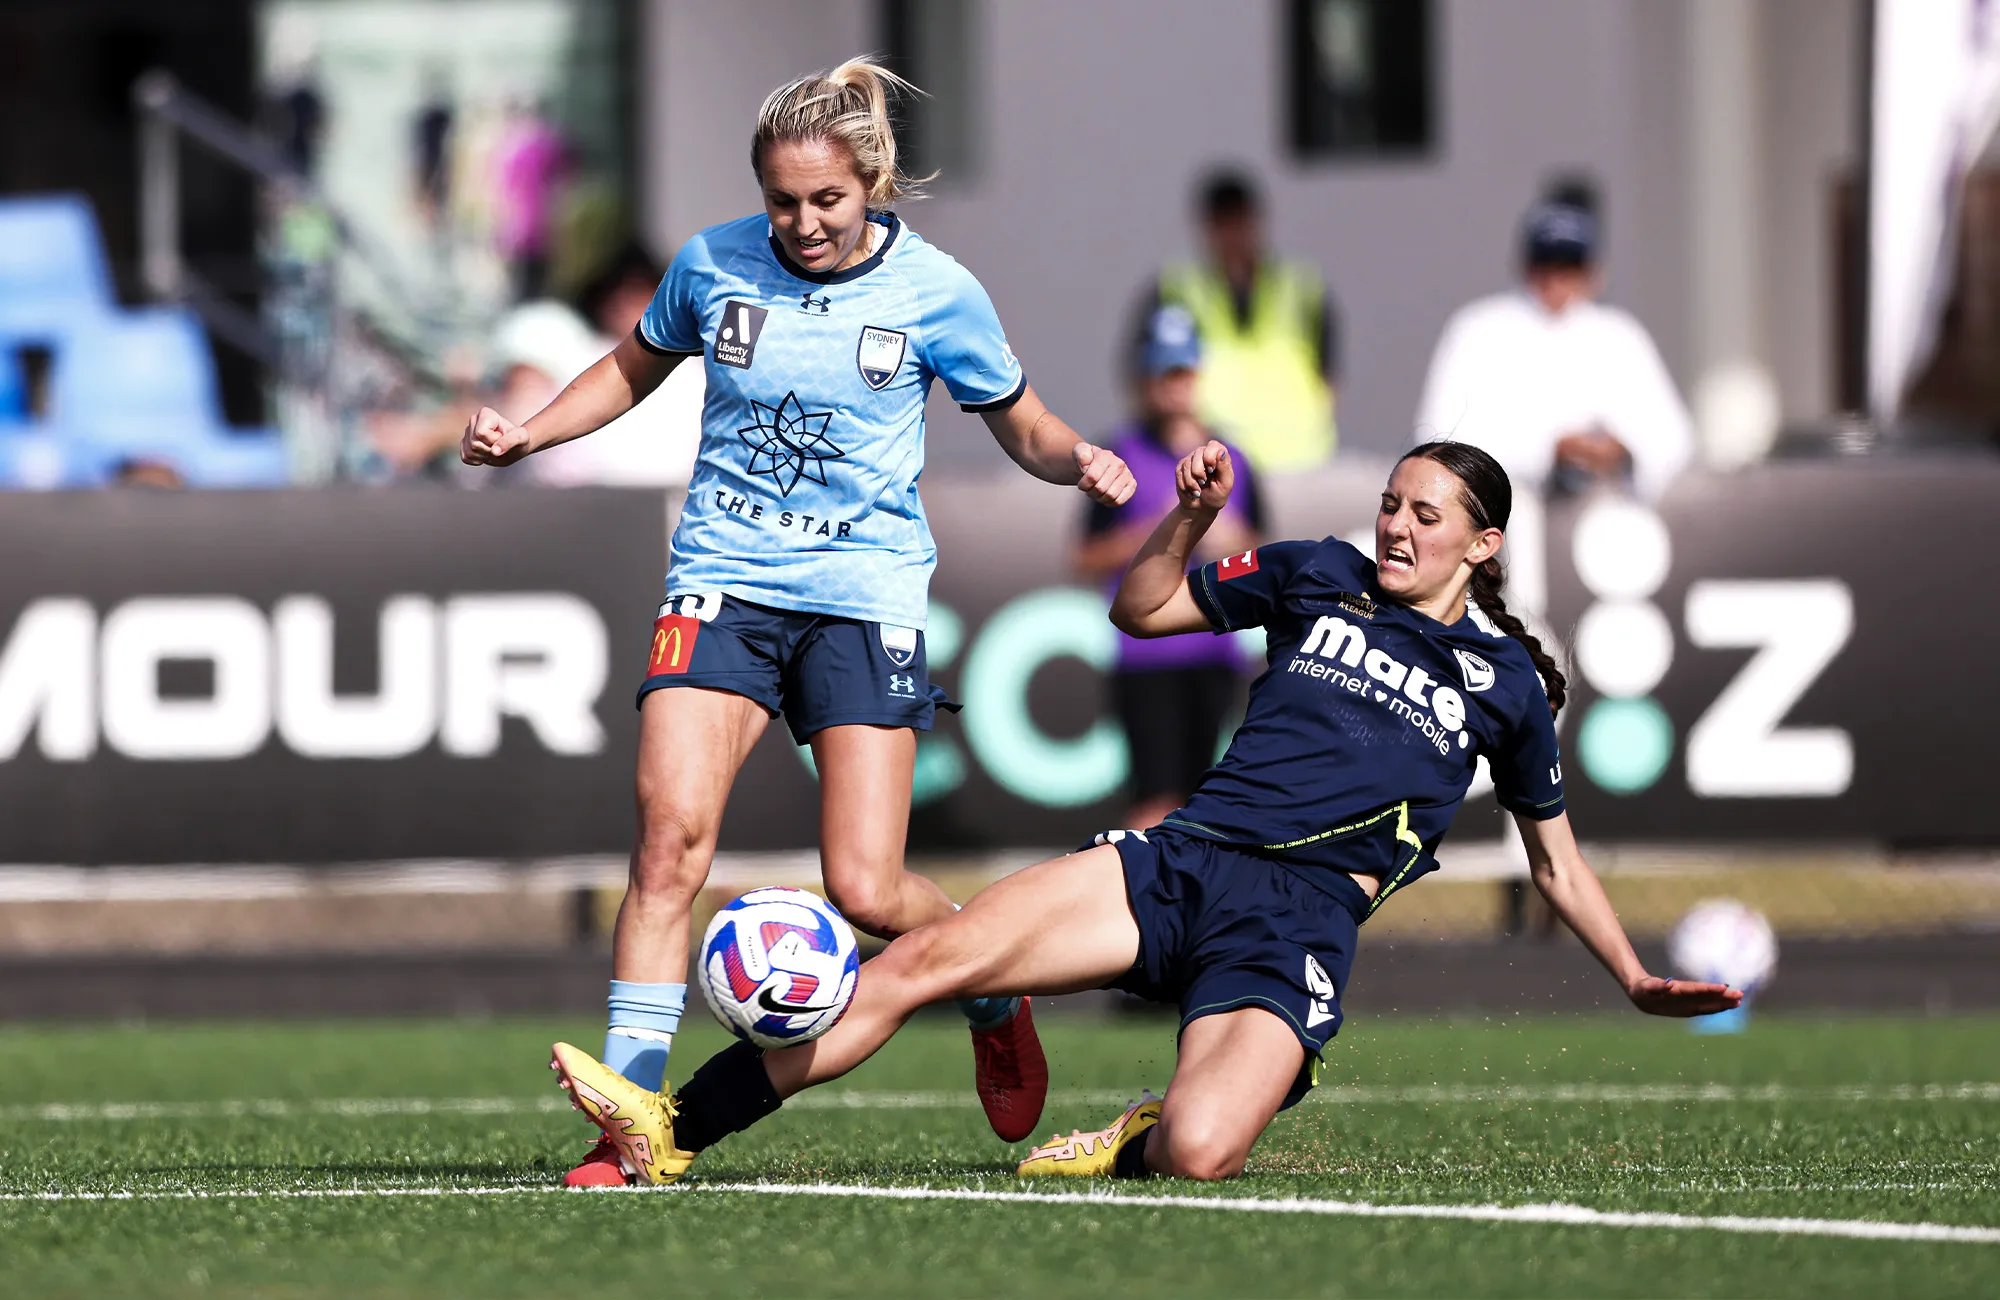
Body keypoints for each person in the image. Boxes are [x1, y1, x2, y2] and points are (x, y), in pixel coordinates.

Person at [548, 439, 1740, 1186]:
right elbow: (1142, 611)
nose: (1394, 526)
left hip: (1296, 926)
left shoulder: (1509, 688)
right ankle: (674, 1127)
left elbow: (1557, 868)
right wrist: (1185, 515)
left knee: (1202, 1153)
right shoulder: (1314, 570)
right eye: (1389, 502)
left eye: (1426, 515)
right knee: (920, 960)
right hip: (1175, 863)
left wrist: (1633, 977)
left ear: (1482, 544)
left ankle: (1136, 1135)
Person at [460, 58, 1136, 1186]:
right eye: (783, 200)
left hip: (862, 599)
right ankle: (629, 1125)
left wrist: (1080, 463)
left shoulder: (935, 291)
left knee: (868, 891)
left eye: (827, 200)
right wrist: (531, 433)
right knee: (668, 835)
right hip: (722, 576)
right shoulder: (709, 265)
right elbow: (632, 368)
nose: (804, 222)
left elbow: (1020, 421)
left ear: (869, 183)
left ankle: (990, 979)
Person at [1076, 304, 1264, 829]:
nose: (1173, 385)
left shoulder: (1235, 460)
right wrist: (1163, 529)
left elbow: (1261, 550)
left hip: (1213, 650)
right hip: (1144, 655)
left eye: (1182, 371)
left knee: (1205, 799)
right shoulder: (1119, 454)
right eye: (1163, 372)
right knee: (1154, 801)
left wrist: (1224, 536)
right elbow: (1085, 556)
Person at [1415, 184, 1693, 500]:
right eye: (1545, 265)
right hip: (1509, 510)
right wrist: (1546, 452)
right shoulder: (1479, 330)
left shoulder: (1619, 336)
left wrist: (1622, 451)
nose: (1556, 280)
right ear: (1524, 267)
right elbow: (1441, 434)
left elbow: (1672, 437)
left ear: (1595, 272)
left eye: (1570, 267)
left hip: (1607, 510)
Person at [1139, 169, 1338, 471]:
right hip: (1218, 462)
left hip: (1300, 461)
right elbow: (1147, 378)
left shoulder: (1302, 286)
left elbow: (1329, 375)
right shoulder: (1177, 288)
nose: (1232, 235)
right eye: (1223, 224)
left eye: (1238, 222)